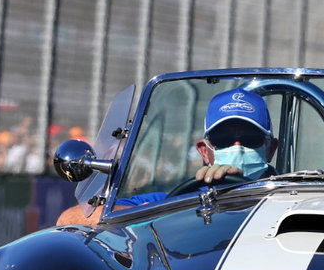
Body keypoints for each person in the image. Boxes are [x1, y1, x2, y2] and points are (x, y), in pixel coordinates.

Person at [56, 89, 275, 227]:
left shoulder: (293, 200)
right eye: (225, 138)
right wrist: (180, 209)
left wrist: (247, 195)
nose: (237, 146)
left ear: (271, 148)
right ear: (204, 151)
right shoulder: (173, 200)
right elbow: (70, 219)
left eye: (250, 137)